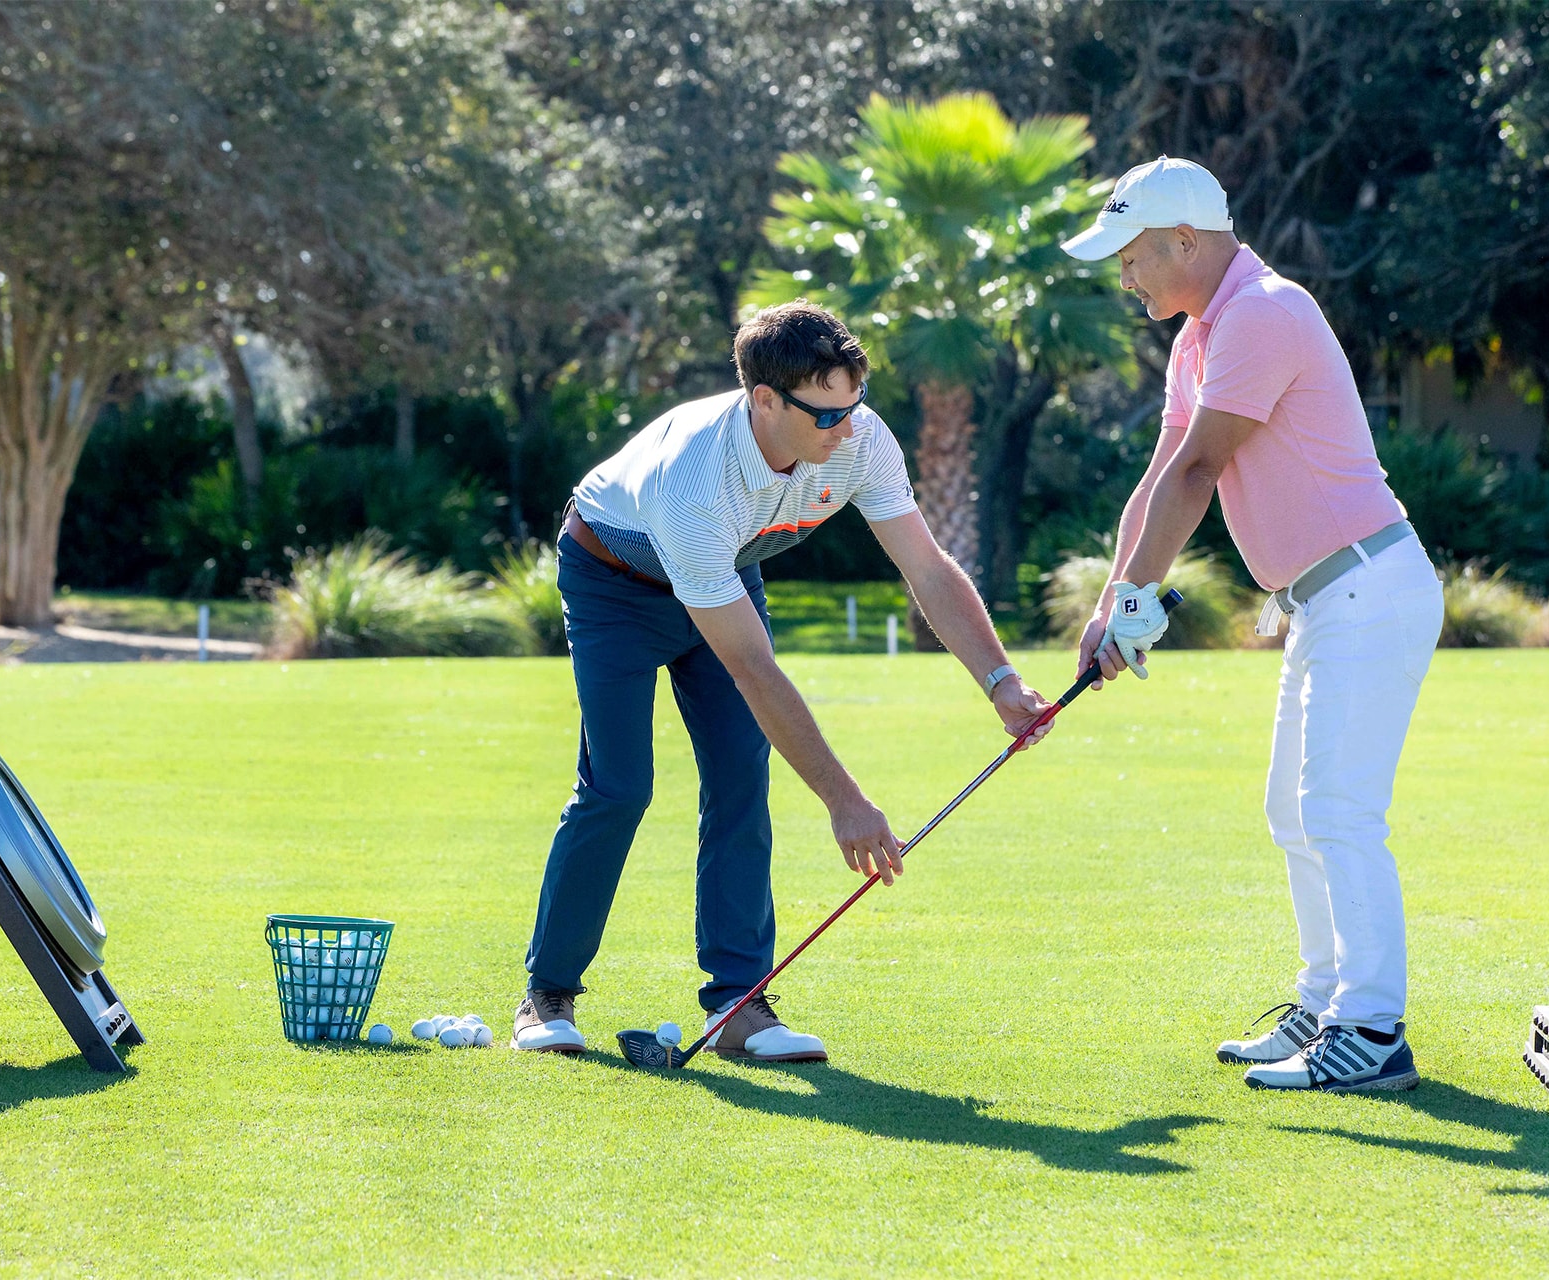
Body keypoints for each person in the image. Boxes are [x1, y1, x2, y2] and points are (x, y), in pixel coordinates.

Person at [514, 301, 1052, 1060]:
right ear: (764, 400)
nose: (847, 428)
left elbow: (928, 569)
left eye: (854, 405)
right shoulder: (696, 481)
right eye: (825, 415)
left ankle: (738, 1006)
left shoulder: (860, 437)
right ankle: (547, 994)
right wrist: (846, 802)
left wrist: (1001, 681)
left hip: (725, 573)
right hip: (615, 584)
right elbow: (754, 670)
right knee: (619, 786)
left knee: (741, 775)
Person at [1062, 157, 1444, 1092]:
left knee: (1340, 813)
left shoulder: (1266, 313)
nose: (1124, 276)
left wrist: (1138, 605)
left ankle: (1372, 1028)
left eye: (1132, 256)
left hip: (1369, 588)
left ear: (1185, 240)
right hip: (1323, 602)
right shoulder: (1199, 337)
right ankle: (1324, 1001)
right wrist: (1113, 606)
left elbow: (1199, 474)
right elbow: (1162, 477)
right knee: (1294, 812)